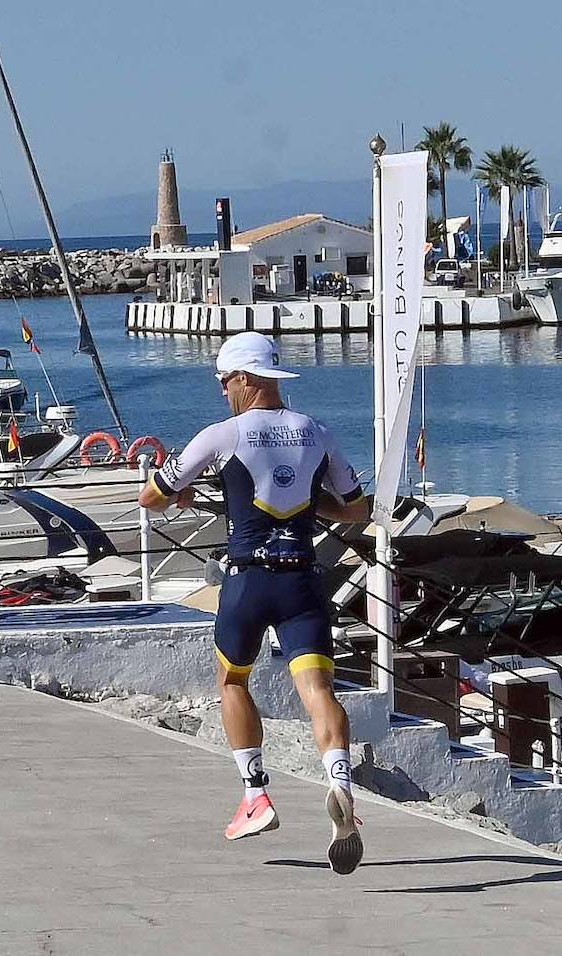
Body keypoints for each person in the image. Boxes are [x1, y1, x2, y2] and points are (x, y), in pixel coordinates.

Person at [138, 331, 370, 875]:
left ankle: (255, 794)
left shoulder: (223, 435)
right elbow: (356, 510)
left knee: (232, 682)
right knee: (318, 690)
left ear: (244, 378)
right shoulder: (316, 433)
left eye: (225, 382)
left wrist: (179, 493)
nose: (223, 392)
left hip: (247, 581)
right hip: (303, 581)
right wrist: (312, 511)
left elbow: (152, 497)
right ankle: (339, 782)